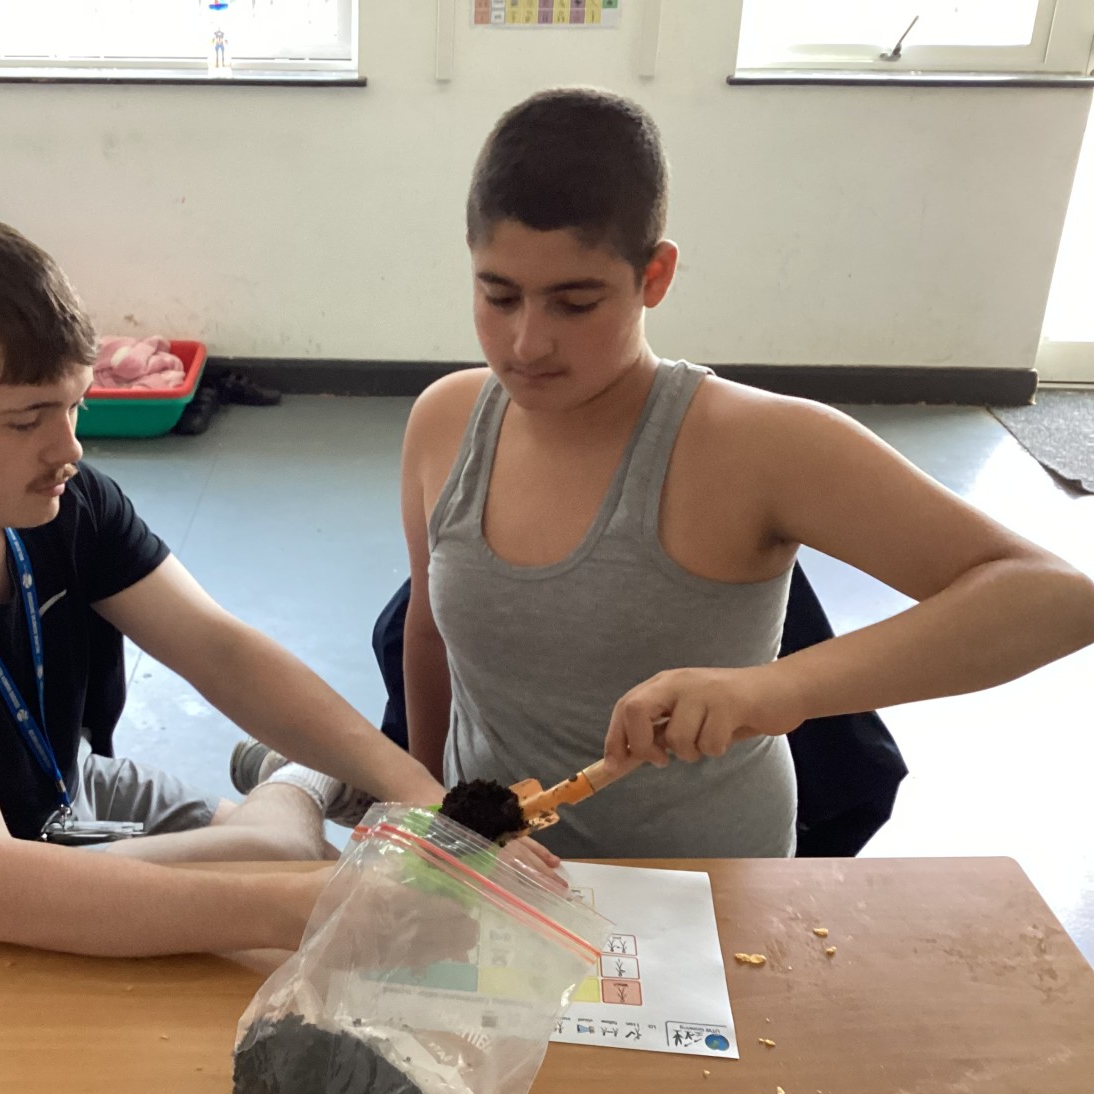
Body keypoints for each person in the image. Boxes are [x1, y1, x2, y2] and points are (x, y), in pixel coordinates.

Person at [0, 206, 462, 959]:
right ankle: (296, 783)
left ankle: (291, 795)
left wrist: (425, 800)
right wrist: (316, 907)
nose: (69, 448)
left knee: (302, 872)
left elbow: (219, 649)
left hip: (66, 797)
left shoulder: (64, 502)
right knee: (291, 868)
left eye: (75, 405)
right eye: (26, 420)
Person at [393, 88, 1094, 858]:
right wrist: (433, 818)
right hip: (498, 874)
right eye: (498, 295)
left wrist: (776, 689)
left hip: (705, 884)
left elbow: (1055, 597)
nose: (527, 344)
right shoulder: (445, 420)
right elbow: (427, 633)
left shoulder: (754, 445)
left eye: (575, 303)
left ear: (655, 276)